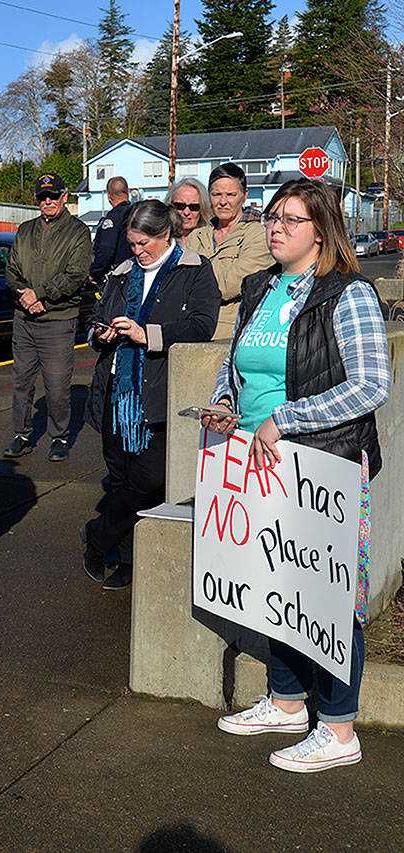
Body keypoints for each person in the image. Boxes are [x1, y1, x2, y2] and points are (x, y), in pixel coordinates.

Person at [207, 178, 389, 773]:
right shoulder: (261, 287)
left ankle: (338, 729)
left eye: (290, 219)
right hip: (255, 459)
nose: (275, 227)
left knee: (327, 594)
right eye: (272, 218)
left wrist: (287, 418)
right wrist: (224, 403)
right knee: (271, 586)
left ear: (322, 230)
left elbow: (370, 386)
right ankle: (287, 699)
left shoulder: (349, 293)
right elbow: (238, 365)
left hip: (324, 463)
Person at [81, 200, 220, 591]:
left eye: (144, 244)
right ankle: (125, 559)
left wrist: (147, 334)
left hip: (157, 393)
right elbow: (94, 323)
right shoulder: (122, 273)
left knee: (148, 479)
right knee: (120, 477)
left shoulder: (194, 270)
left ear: (166, 235)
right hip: (115, 391)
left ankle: (97, 536)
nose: (137, 251)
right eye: (132, 243)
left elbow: (201, 326)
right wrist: (101, 334)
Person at [3, 172, 92, 462]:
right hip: (24, 321)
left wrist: (39, 294)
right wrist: (25, 297)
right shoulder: (25, 230)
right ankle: (21, 435)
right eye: (43, 196)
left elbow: (75, 275)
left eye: (53, 195)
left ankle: (59, 437)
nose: (48, 200)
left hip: (58, 320)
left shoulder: (78, 232)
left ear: (65, 196)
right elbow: (11, 272)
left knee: (56, 386)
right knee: (21, 383)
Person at [186, 163, 272, 340]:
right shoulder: (197, 236)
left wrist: (192, 286)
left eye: (231, 195)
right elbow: (178, 282)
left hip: (230, 333)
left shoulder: (259, 235)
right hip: (190, 328)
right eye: (216, 194)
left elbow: (231, 284)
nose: (223, 201)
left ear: (244, 195)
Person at [88, 176, 134, 287]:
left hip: (120, 277)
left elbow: (106, 250)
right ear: (128, 192)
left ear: (108, 196)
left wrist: (95, 273)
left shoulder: (112, 219)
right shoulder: (138, 213)